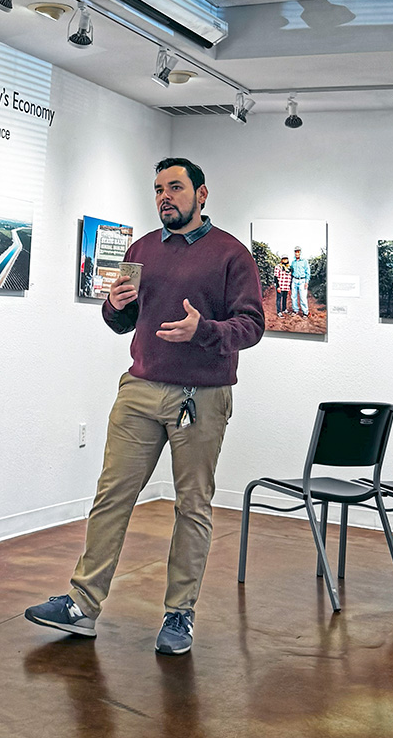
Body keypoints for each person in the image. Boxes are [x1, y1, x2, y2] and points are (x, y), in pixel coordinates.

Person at [24, 158, 264, 655]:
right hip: (139, 389)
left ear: (202, 194)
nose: (165, 197)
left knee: (191, 505)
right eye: (158, 189)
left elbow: (252, 326)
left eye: (175, 188)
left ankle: (179, 615)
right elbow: (121, 321)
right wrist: (113, 303)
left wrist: (206, 331)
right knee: (111, 495)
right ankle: (82, 606)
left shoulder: (232, 255)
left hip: (201, 397)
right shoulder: (141, 249)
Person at [290, 246, 311, 316]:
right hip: (294, 280)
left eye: (298, 252)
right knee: (293, 297)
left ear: (300, 253)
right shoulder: (293, 262)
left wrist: (306, 282)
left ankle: (305, 312)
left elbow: (308, 272)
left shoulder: (304, 261)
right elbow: (291, 270)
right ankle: (295, 310)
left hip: (302, 280)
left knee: (303, 297)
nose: (297, 253)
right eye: (295, 252)